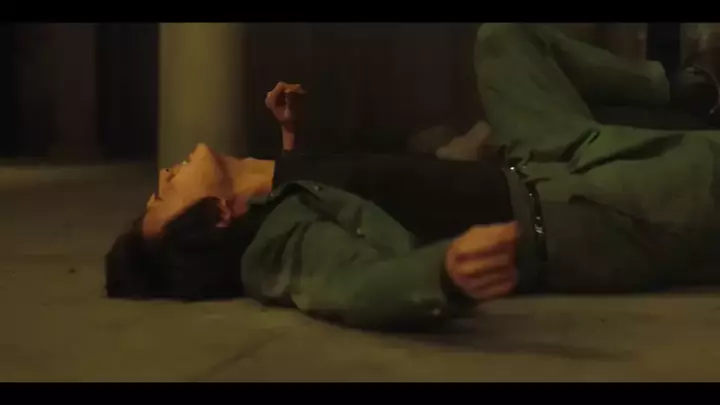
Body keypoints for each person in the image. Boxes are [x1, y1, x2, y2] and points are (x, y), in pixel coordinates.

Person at [105, 23, 720, 331]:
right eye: (164, 194)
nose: (164, 173)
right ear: (216, 216)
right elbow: (350, 285)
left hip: (536, 157)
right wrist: (441, 274)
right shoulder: (279, 242)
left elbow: (353, 184)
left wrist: (293, 137)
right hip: (569, 211)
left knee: (501, 39)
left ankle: (688, 89)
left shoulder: (279, 180)